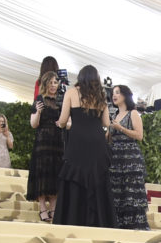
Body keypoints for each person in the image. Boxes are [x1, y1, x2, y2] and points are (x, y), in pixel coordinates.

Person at [52, 65, 113, 228]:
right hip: (97, 141)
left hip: (78, 141)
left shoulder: (71, 92)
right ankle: (98, 222)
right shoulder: (101, 95)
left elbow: (63, 120)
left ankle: (73, 218)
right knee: (97, 178)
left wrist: (64, 124)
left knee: (75, 177)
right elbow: (106, 123)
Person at [106, 84, 148, 230]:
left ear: (125, 95)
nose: (114, 96)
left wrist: (121, 128)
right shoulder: (114, 115)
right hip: (115, 158)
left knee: (131, 192)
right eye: (113, 93)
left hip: (130, 157)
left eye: (117, 93)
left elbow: (139, 135)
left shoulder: (133, 113)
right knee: (118, 191)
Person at [26, 71, 63, 222]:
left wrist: (63, 123)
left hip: (58, 142)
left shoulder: (61, 100)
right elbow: (33, 124)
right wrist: (39, 112)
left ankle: (54, 208)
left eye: (56, 82)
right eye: (51, 82)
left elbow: (67, 121)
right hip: (42, 142)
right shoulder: (39, 99)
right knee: (42, 173)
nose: (54, 85)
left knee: (55, 173)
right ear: (45, 83)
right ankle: (42, 208)